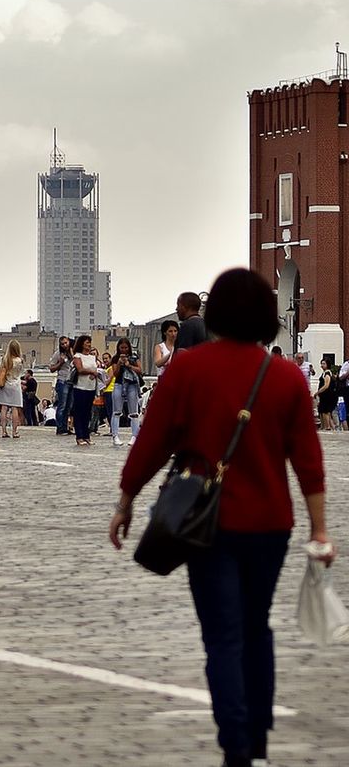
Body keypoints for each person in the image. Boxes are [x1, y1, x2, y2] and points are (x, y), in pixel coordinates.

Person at [110, 268, 330, 767]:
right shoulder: (287, 375)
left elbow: (151, 443)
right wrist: (320, 530)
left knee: (223, 635)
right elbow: (309, 462)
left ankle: (235, 742)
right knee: (257, 627)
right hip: (271, 523)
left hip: (206, 523)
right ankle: (258, 738)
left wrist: (126, 501)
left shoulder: (188, 371)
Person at [105, 338, 142, 447]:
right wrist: (120, 364)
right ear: (118, 348)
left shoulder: (134, 357)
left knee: (133, 412)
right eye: (122, 348)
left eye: (126, 348)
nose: (124, 350)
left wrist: (129, 364)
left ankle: (134, 436)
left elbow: (140, 370)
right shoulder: (116, 358)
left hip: (132, 385)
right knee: (116, 411)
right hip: (119, 384)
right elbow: (115, 374)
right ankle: (115, 435)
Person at [69, 336, 103, 447]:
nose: (89, 345)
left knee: (87, 413)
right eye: (87, 343)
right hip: (80, 387)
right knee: (79, 412)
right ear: (82, 344)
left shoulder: (92, 358)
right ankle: (79, 436)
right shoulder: (77, 356)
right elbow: (80, 369)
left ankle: (86, 435)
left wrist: (96, 373)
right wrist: (92, 372)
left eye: (90, 343)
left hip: (91, 387)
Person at [0, 339, 25, 439]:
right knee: (15, 408)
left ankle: (3, 431)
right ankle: (15, 431)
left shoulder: (5, 360)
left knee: (4, 408)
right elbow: (20, 373)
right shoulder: (20, 360)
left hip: (6, 384)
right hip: (16, 385)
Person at [51, 338, 75, 436]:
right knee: (62, 405)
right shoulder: (58, 354)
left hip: (72, 381)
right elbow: (51, 368)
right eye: (62, 344)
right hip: (63, 380)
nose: (65, 345)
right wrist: (60, 362)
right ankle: (60, 428)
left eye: (66, 343)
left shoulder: (73, 352)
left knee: (69, 406)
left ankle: (65, 427)